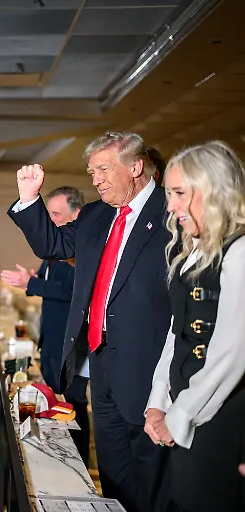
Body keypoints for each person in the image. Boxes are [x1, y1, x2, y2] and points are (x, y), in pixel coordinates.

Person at [7, 131, 171, 512]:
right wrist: (29, 199)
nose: (95, 179)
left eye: (102, 169)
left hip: (148, 366)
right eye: (91, 170)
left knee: (150, 477)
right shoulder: (98, 213)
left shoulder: (170, 213)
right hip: (99, 357)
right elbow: (54, 245)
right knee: (112, 470)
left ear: (135, 166)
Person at [143, 141, 245, 511]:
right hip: (189, 411)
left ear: (215, 189)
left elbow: (232, 354)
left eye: (179, 193)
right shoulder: (196, 251)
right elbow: (178, 333)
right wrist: (159, 402)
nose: (170, 206)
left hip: (223, 420)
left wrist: (180, 414)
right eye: (169, 194)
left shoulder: (241, 252)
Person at [1, 186, 90, 466]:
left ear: (76, 215)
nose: (49, 221)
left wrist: (31, 283)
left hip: (70, 345)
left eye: (55, 214)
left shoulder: (81, 248)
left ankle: (78, 465)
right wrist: (33, 279)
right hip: (52, 341)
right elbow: (48, 284)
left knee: (73, 408)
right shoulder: (53, 248)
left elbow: (70, 291)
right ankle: (56, 461)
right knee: (54, 406)